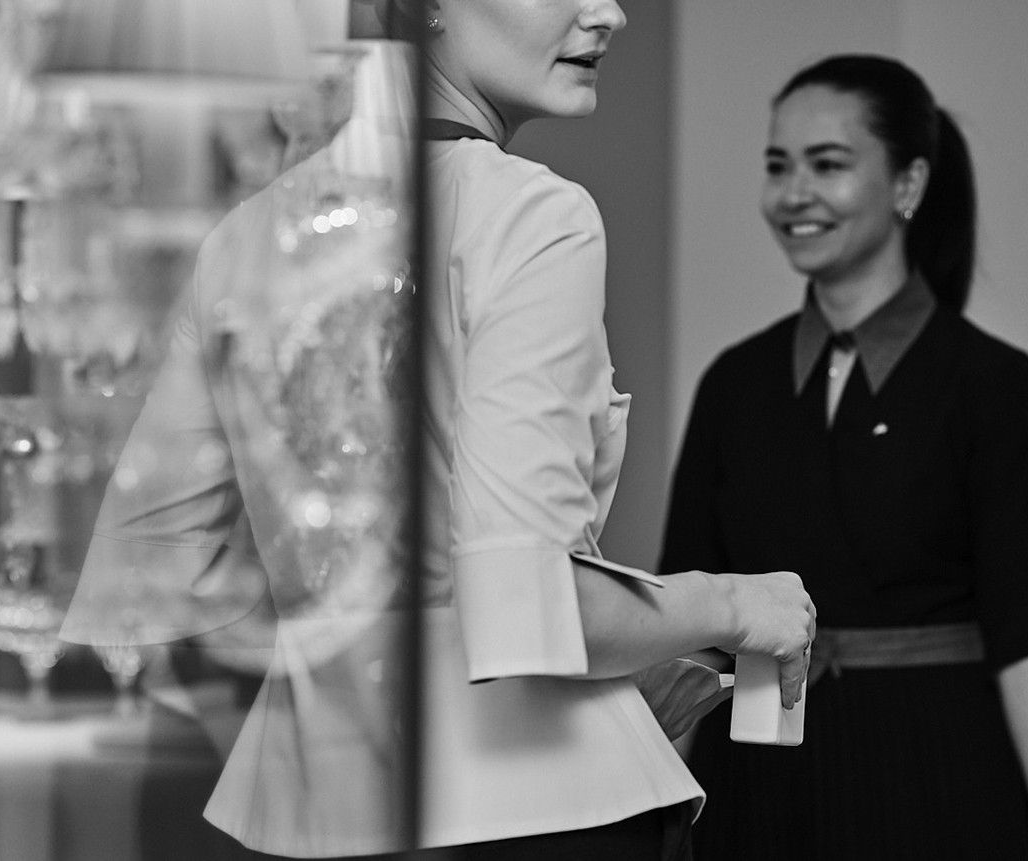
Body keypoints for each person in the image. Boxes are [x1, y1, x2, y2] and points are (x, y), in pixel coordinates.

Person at [62, 2, 816, 859]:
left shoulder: (243, 236)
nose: (609, 13)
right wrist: (734, 603)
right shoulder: (533, 215)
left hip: (309, 810)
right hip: (544, 815)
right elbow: (529, 600)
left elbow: (154, 582)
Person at [659, 54, 1028, 861]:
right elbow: (687, 628)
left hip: (942, 777)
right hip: (755, 784)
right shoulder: (734, 384)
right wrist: (657, 811)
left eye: (828, 164)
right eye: (778, 165)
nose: (794, 194)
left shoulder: (991, 384)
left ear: (907, 185)